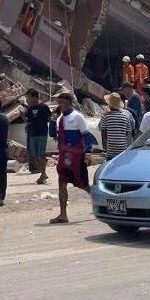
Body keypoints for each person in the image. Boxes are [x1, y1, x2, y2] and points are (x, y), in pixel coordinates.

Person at [50, 93, 93, 224]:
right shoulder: (60, 119)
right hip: (63, 157)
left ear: (68, 102)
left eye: (62, 102)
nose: (60, 105)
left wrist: (88, 153)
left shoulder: (77, 117)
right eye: (59, 102)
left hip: (76, 157)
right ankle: (63, 215)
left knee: (83, 184)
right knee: (61, 184)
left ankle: (100, 200)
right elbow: (52, 134)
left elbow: (86, 136)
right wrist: (52, 120)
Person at [24, 89, 52, 185]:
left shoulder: (44, 107)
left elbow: (49, 117)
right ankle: (43, 174)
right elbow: (28, 120)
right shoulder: (30, 109)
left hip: (42, 134)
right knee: (35, 156)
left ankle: (43, 174)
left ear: (35, 97)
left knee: (41, 155)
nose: (27, 100)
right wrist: (27, 125)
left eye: (29, 98)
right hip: (32, 135)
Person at [99, 92, 136, 161]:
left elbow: (103, 133)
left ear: (109, 105)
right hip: (123, 148)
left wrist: (105, 147)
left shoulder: (106, 116)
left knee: (110, 166)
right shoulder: (126, 116)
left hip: (110, 149)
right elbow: (128, 132)